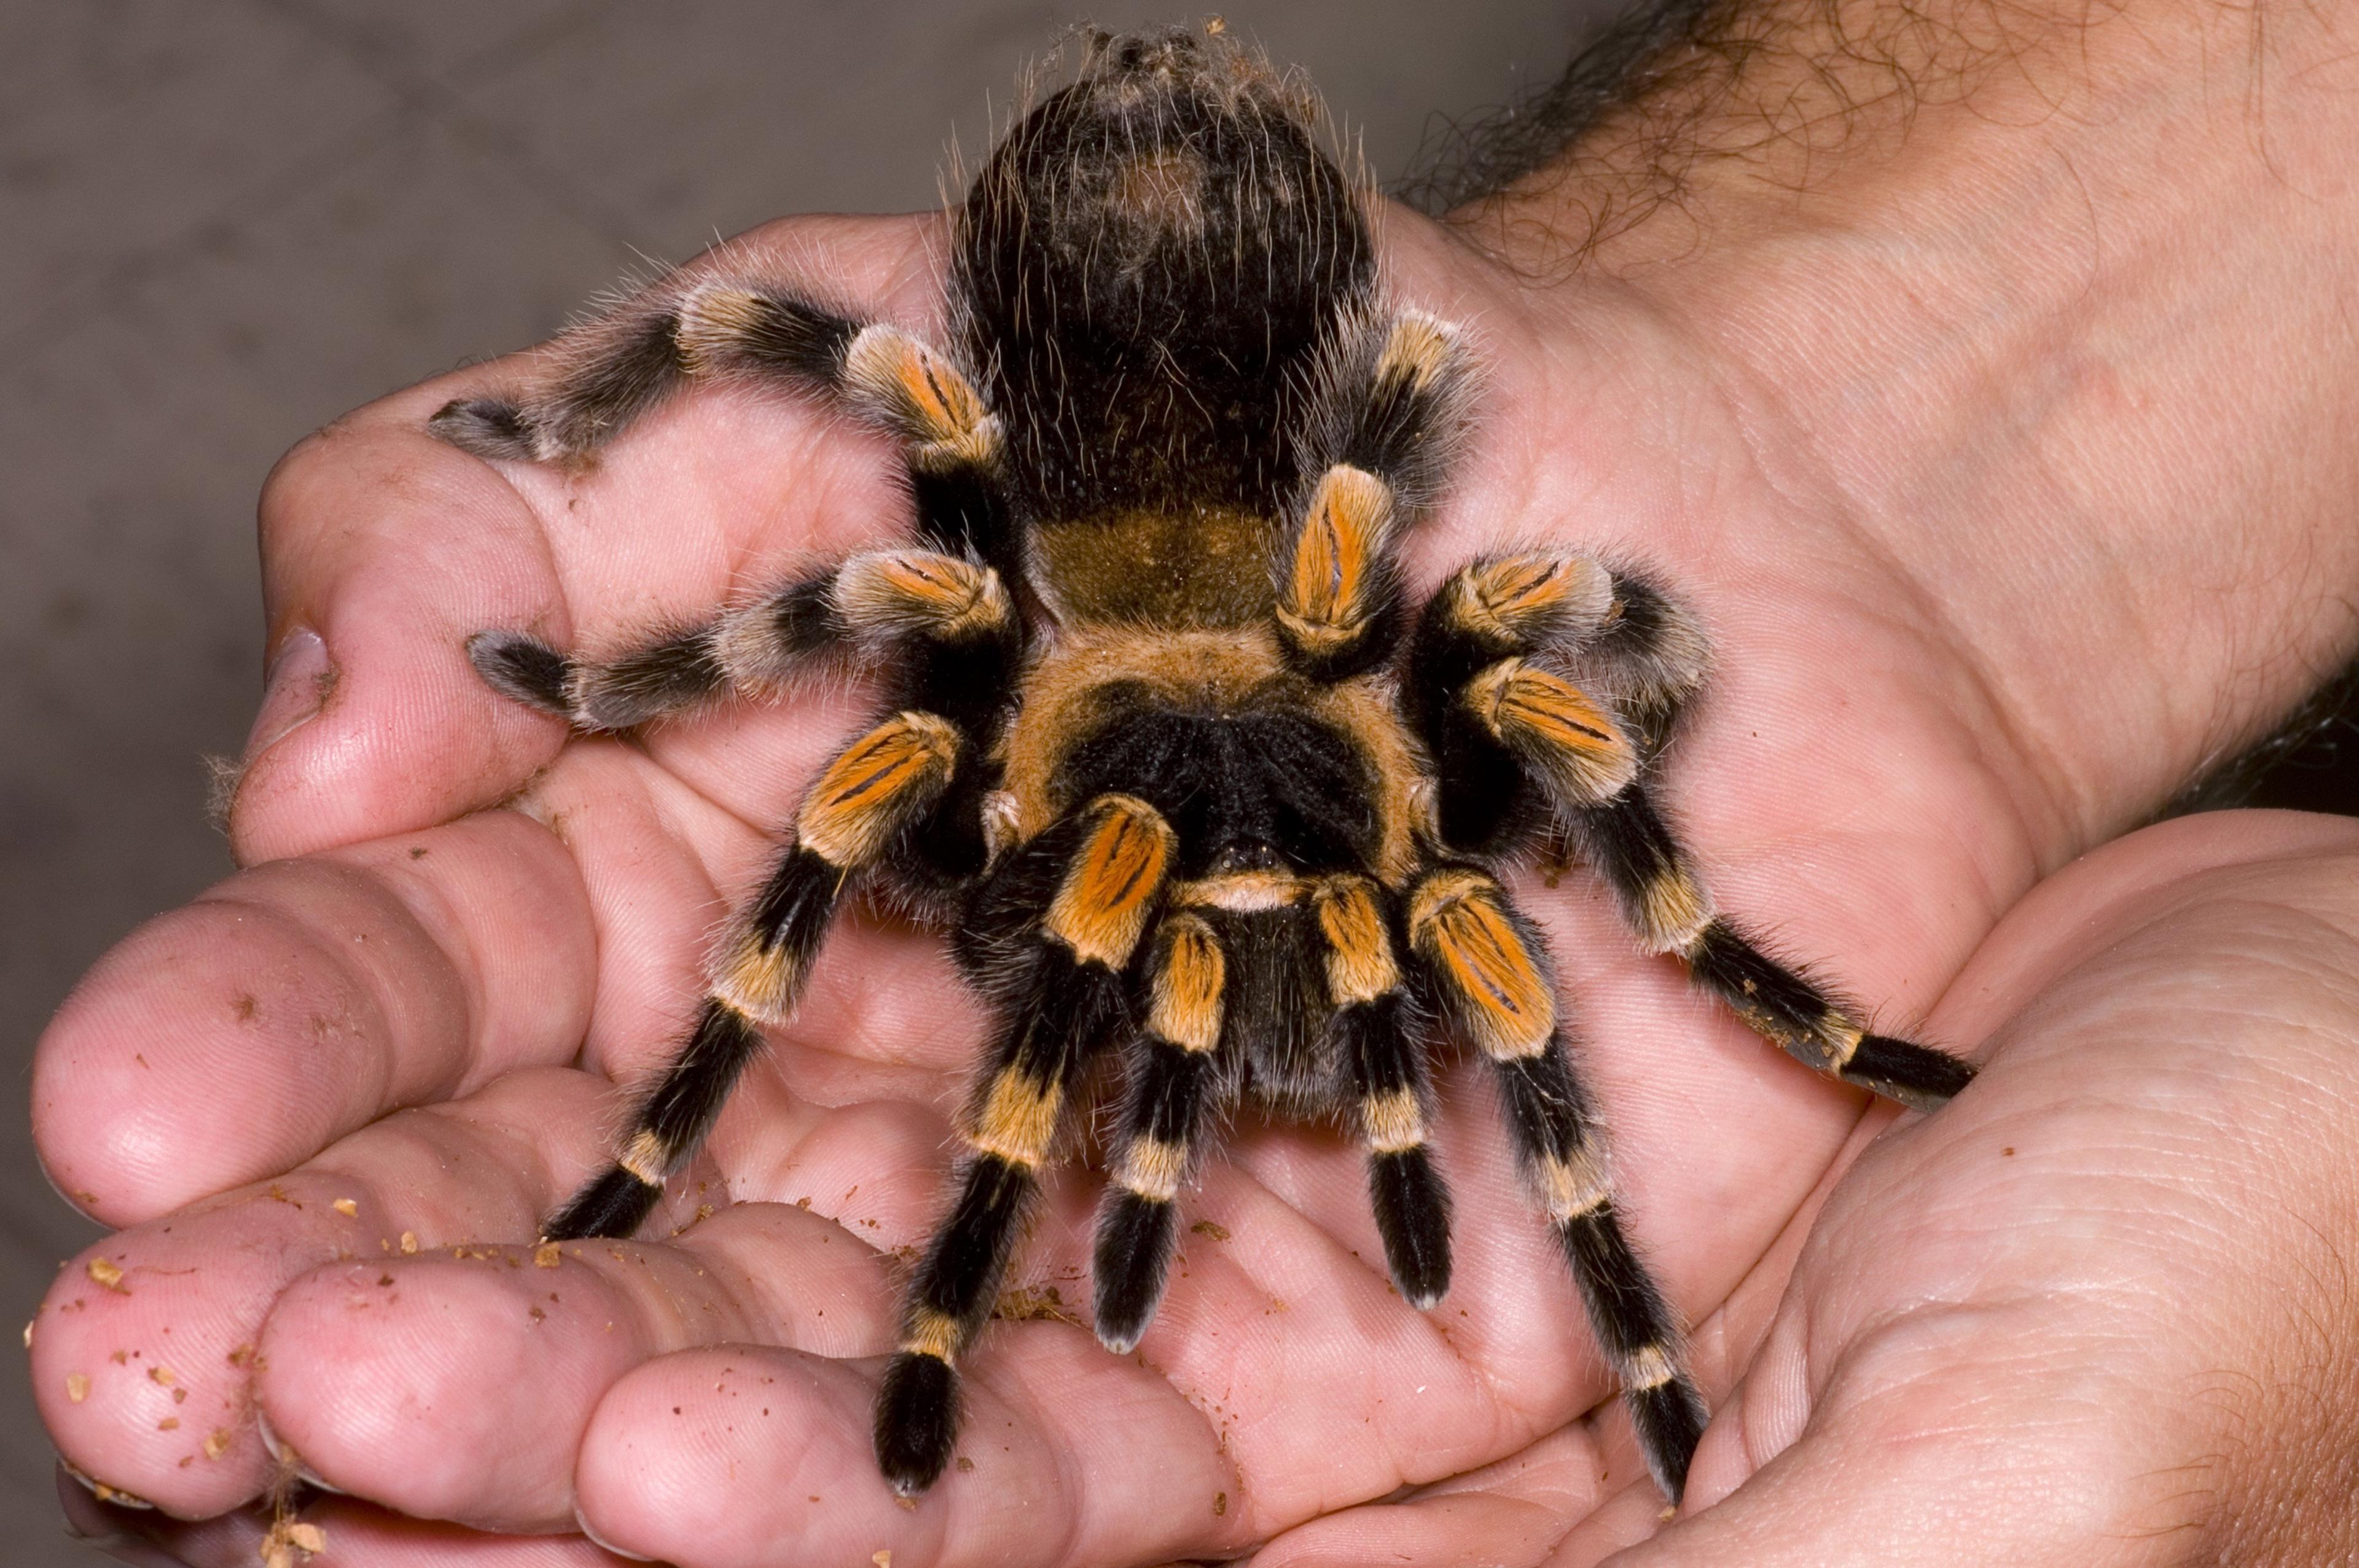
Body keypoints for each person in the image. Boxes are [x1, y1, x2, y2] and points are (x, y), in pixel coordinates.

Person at [32, 0, 2359, 1561]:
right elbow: (854, 560)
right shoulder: (1030, 675)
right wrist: (647, 687)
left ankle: (1676, 1203)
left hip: (1271, 626)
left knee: (1483, 754)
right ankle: (865, 1259)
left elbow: (1578, 652)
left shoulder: (1400, 706)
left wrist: (1769, 985)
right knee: (915, 518)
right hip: (1142, 608)